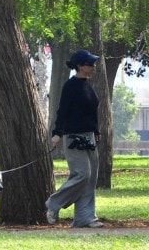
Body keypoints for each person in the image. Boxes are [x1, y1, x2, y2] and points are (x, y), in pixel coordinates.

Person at [45, 49, 104, 228]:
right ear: (80, 66)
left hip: (89, 136)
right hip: (73, 137)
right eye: (89, 64)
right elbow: (62, 111)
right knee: (82, 174)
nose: (93, 66)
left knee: (91, 177)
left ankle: (85, 217)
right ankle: (53, 204)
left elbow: (90, 112)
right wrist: (57, 133)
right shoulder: (70, 86)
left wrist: (96, 131)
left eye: (93, 64)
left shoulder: (87, 85)